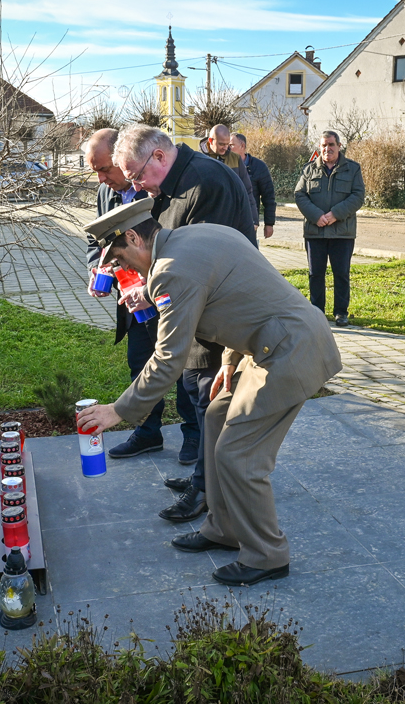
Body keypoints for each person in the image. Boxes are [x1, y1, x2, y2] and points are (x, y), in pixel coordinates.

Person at [78, 199, 342, 586]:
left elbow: (169, 357)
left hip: (291, 351)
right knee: (218, 417)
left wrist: (118, 411)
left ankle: (268, 555)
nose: (123, 270)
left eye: (120, 259)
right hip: (268, 344)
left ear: (133, 237)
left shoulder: (170, 271)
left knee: (239, 453)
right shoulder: (200, 235)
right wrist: (231, 361)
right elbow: (248, 295)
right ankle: (224, 527)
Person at [112, 124, 257, 523]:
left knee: (212, 399)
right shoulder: (174, 183)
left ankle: (210, 491)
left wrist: (148, 289)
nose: (138, 186)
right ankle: (204, 476)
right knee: (197, 394)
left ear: (159, 156)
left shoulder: (206, 183)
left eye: (138, 175)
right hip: (194, 307)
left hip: (218, 312)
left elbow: (203, 263)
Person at [83, 129, 201, 462]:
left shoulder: (156, 189)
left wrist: (150, 286)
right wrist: (100, 268)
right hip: (130, 300)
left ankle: (193, 434)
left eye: (106, 169)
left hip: (164, 293)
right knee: (140, 362)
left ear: (124, 159)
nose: (103, 178)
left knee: (182, 365)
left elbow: (175, 240)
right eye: (96, 172)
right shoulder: (105, 192)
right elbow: (98, 242)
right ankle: (147, 432)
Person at [294, 130, 364, 327]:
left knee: (341, 273)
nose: (327, 149)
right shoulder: (309, 170)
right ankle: (317, 312)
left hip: (342, 233)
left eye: (331, 145)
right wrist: (317, 216)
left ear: (339, 146)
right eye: (323, 145)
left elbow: (358, 196)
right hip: (315, 232)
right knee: (315, 274)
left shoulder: (352, 169)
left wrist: (334, 215)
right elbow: (299, 195)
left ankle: (341, 312)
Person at [232, 133, 276, 240]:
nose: (227, 148)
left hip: (248, 222)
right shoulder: (224, 164)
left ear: (242, 146)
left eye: (231, 145)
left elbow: (268, 196)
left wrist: (269, 223)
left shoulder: (259, 167)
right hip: (229, 221)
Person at [201, 124, 255, 208]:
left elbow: (247, 191)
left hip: (232, 215)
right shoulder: (199, 160)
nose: (225, 148)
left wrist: (253, 220)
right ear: (210, 140)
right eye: (222, 144)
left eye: (227, 144)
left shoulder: (236, 159)